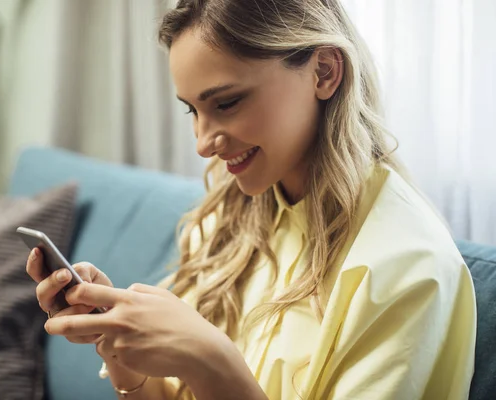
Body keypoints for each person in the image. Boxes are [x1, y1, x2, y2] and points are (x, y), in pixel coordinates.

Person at [26, 1, 476, 399]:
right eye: (192, 110)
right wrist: (117, 336)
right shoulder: (228, 216)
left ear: (324, 72)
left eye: (227, 102)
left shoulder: (406, 266)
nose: (202, 144)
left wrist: (212, 361)